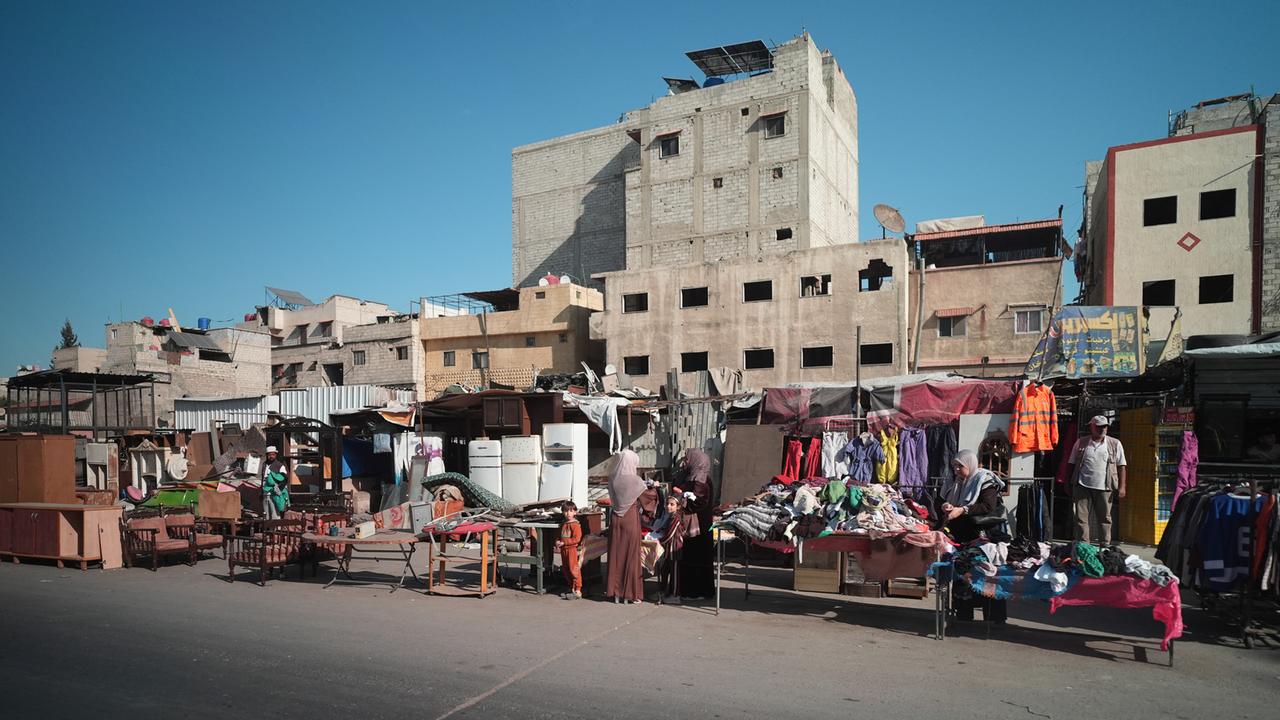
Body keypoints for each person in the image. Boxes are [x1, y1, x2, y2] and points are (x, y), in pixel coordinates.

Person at [942, 449, 1009, 623]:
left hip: (983, 536)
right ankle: (964, 615)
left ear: (970, 464)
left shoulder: (985, 480)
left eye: (960, 466)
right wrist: (949, 507)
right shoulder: (958, 483)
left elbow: (988, 506)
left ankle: (994, 619)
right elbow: (949, 501)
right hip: (962, 536)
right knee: (963, 575)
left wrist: (962, 509)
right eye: (954, 466)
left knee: (987, 575)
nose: (956, 470)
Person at [1066, 415, 1127, 544]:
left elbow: (1121, 465)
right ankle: (1084, 544)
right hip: (1082, 485)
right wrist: (1068, 482)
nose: (1102, 429)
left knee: (1105, 518)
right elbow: (1071, 463)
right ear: (1091, 427)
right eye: (1099, 427)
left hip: (1105, 487)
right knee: (1081, 517)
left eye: (1104, 427)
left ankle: (1104, 544)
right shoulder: (1081, 442)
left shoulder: (1115, 443)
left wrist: (1122, 487)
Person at [675, 447, 715, 600]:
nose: (685, 461)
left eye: (687, 458)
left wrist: (682, 498)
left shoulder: (699, 480)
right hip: (701, 526)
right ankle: (700, 591)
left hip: (697, 527)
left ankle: (694, 592)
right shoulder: (699, 477)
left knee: (694, 558)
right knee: (699, 559)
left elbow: (698, 503)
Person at [606, 449, 646, 604]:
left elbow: (612, 498)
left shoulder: (612, 478)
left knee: (616, 555)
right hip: (630, 518)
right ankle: (630, 594)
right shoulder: (636, 481)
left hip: (615, 518)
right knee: (631, 556)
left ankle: (615, 593)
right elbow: (648, 502)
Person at [657, 494, 700, 604]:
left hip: (674, 547)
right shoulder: (671, 516)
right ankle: (666, 592)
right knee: (666, 569)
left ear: (678, 506)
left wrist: (659, 541)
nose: (668, 506)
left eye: (672, 504)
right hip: (669, 547)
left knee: (674, 572)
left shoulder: (676, 518)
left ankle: (675, 595)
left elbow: (670, 534)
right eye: (667, 504)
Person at [555, 501, 583, 600]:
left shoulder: (575, 524)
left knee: (573, 569)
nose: (568, 513)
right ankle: (571, 587)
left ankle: (578, 589)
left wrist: (564, 542)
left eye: (571, 511)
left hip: (572, 550)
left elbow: (577, 539)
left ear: (575, 512)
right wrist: (557, 542)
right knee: (566, 569)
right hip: (564, 550)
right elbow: (559, 536)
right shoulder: (564, 523)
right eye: (566, 511)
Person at [261, 446, 290, 520]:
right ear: (267, 455)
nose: (271, 456)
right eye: (269, 454)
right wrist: (261, 492)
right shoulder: (264, 464)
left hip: (274, 493)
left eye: (273, 454)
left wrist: (278, 488)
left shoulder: (280, 465)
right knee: (266, 513)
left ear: (276, 455)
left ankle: (275, 529)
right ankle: (267, 529)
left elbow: (285, 478)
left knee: (275, 513)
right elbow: (263, 478)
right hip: (265, 492)